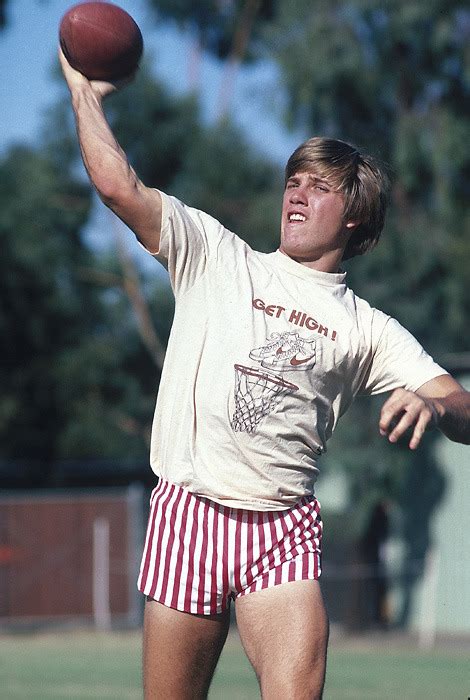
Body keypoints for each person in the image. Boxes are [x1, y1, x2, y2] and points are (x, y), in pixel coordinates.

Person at [60, 49, 470, 699]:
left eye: (318, 187)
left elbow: (461, 405)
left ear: (355, 213)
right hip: (189, 513)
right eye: (293, 182)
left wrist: (436, 407)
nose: (297, 194)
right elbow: (118, 187)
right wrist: (84, 91)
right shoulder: (215, 255)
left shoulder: (366, 326)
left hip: (281, 532)